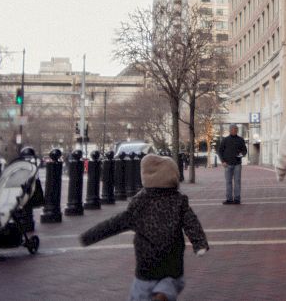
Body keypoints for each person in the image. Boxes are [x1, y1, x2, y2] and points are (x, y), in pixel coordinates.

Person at [79, 154, 208, 301]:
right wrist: (200, 244)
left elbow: (115, 223)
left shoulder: (139, 202)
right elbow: (192, 223)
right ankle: (164, 293)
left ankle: (157, 294)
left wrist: (89, 236)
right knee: (176, 281)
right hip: (172, 258)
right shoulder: (179, 201)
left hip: (146, 261)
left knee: (140, 292)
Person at [218, 124, 247, 205]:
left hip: (237, 164)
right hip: (227, 164)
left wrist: (242, 154)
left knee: (237, 181)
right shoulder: (225, 140)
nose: (235, 131)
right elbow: (220, 151)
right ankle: (229, 199)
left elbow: (244, 150)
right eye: (233, 129)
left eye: (236, 129)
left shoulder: (241, 140)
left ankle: (237, 199)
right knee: (228, 182)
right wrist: (223, 161)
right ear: (230, 130)